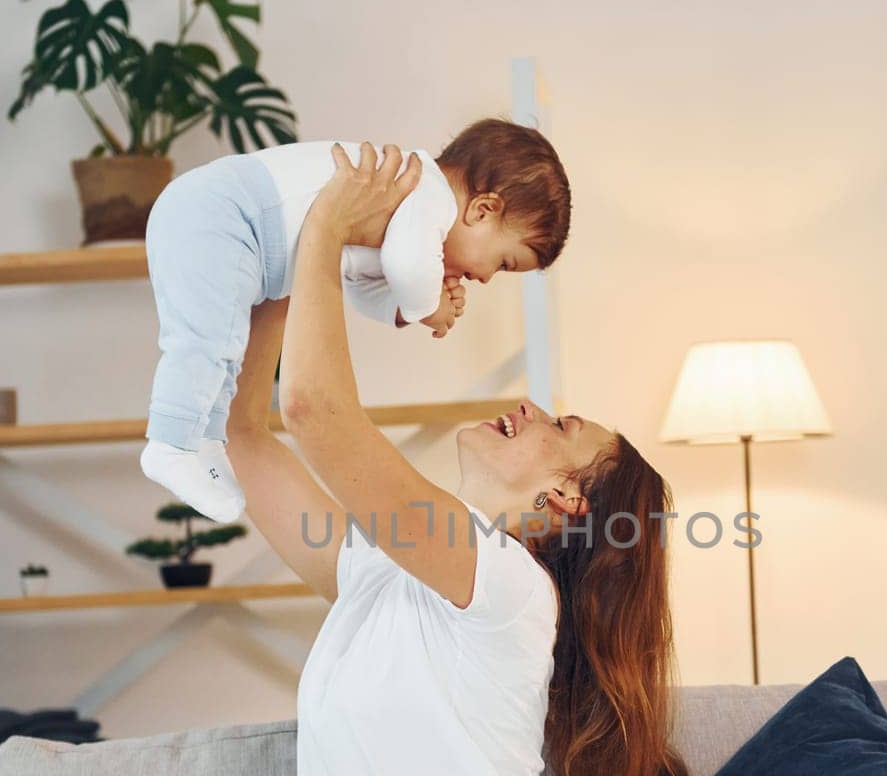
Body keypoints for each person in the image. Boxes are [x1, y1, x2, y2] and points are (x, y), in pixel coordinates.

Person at [65, 144, 713, 776]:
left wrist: (329, 223)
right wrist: (282, 253)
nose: (530, 406)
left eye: (562, 427)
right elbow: (246, 432)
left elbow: (317, 414)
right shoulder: (379, 568)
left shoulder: (505, 586)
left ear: (565, 502)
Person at [139, 119, 572, 525]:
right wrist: (430, 305)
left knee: (226, 350)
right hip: (223, 216)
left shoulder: (401, 212)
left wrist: (403, 309)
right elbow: (407, 267)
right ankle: (170, 444)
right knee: (207, 344)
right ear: (482, 209)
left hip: (234, 231)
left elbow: (363, 284)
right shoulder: (426, 193)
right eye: (501, 262)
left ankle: (206, 442)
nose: (484, 278)